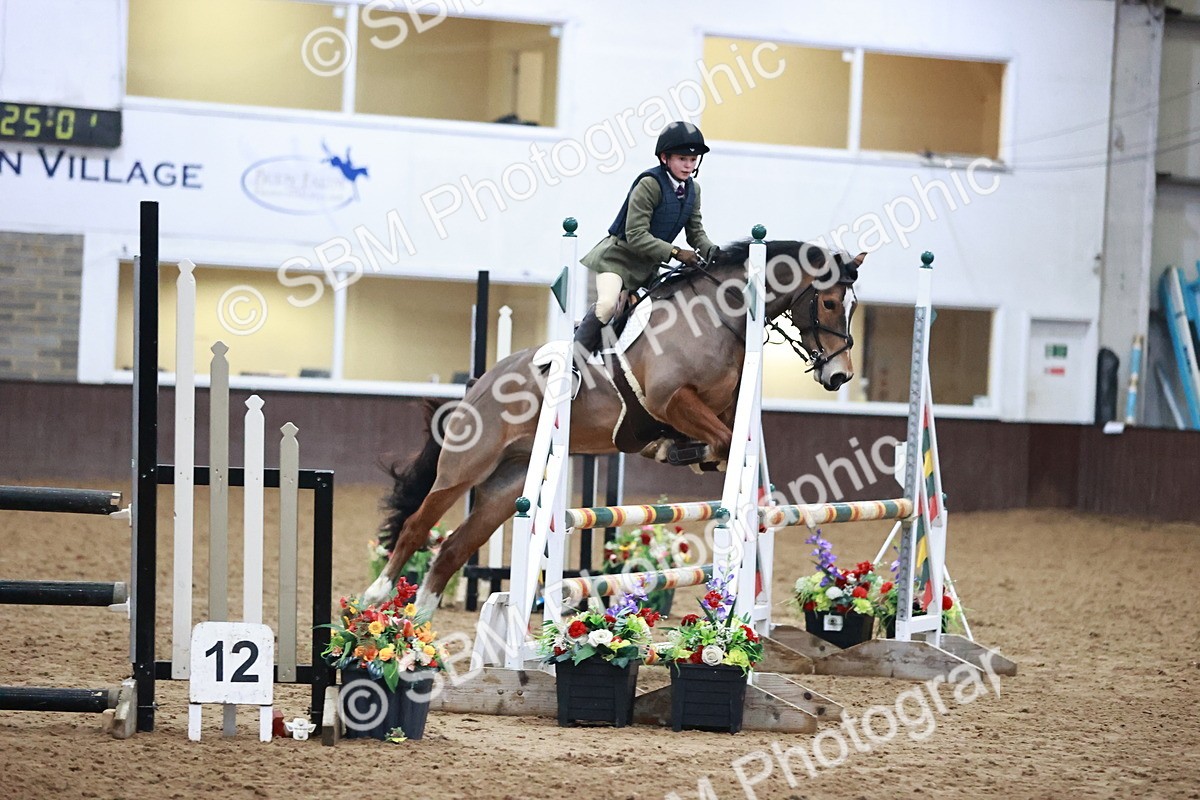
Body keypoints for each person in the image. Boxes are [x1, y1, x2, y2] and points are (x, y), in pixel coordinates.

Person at [575, 120, 720, 354]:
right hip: (617, 261)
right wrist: (675, 253)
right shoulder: (649, 184)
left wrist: (714, 252)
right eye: (682, 159)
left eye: (693, 160)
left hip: (647, 270)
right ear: (665, 158)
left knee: (674, 306)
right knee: (607, 305)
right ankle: (574, 361)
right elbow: (635, 235)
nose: (688, 166)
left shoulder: (694, 190)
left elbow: (696, 233)